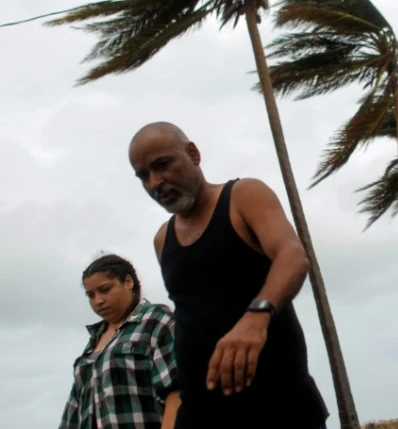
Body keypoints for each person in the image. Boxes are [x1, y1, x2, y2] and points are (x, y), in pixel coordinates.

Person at [128, 122, 329, 429]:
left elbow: (292, 256)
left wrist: (256, 317)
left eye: (162, 165)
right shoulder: (162, 240)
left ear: (193, 154)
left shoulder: (243, 197)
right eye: (144, 176)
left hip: (279, 408)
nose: (156, 182)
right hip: (201, 414)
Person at [60, 253, 181, 429]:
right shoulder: (93, 343)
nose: (98, 301)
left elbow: (178, 390)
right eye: (90, 295)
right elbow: (73, 413)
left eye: (104, 289)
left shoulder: (156, 321)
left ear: (128, 282)